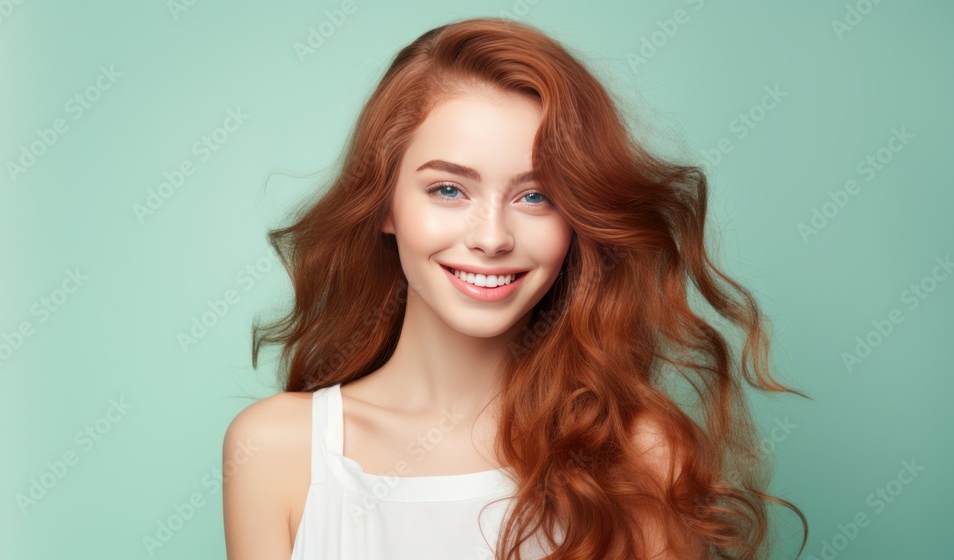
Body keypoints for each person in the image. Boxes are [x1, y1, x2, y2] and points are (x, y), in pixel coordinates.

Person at [223, 16, 808, 560]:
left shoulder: (642, 456)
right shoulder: (277, 449)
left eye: (536, 196)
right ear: (384, 205)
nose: (493, 237)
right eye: (449, 190)